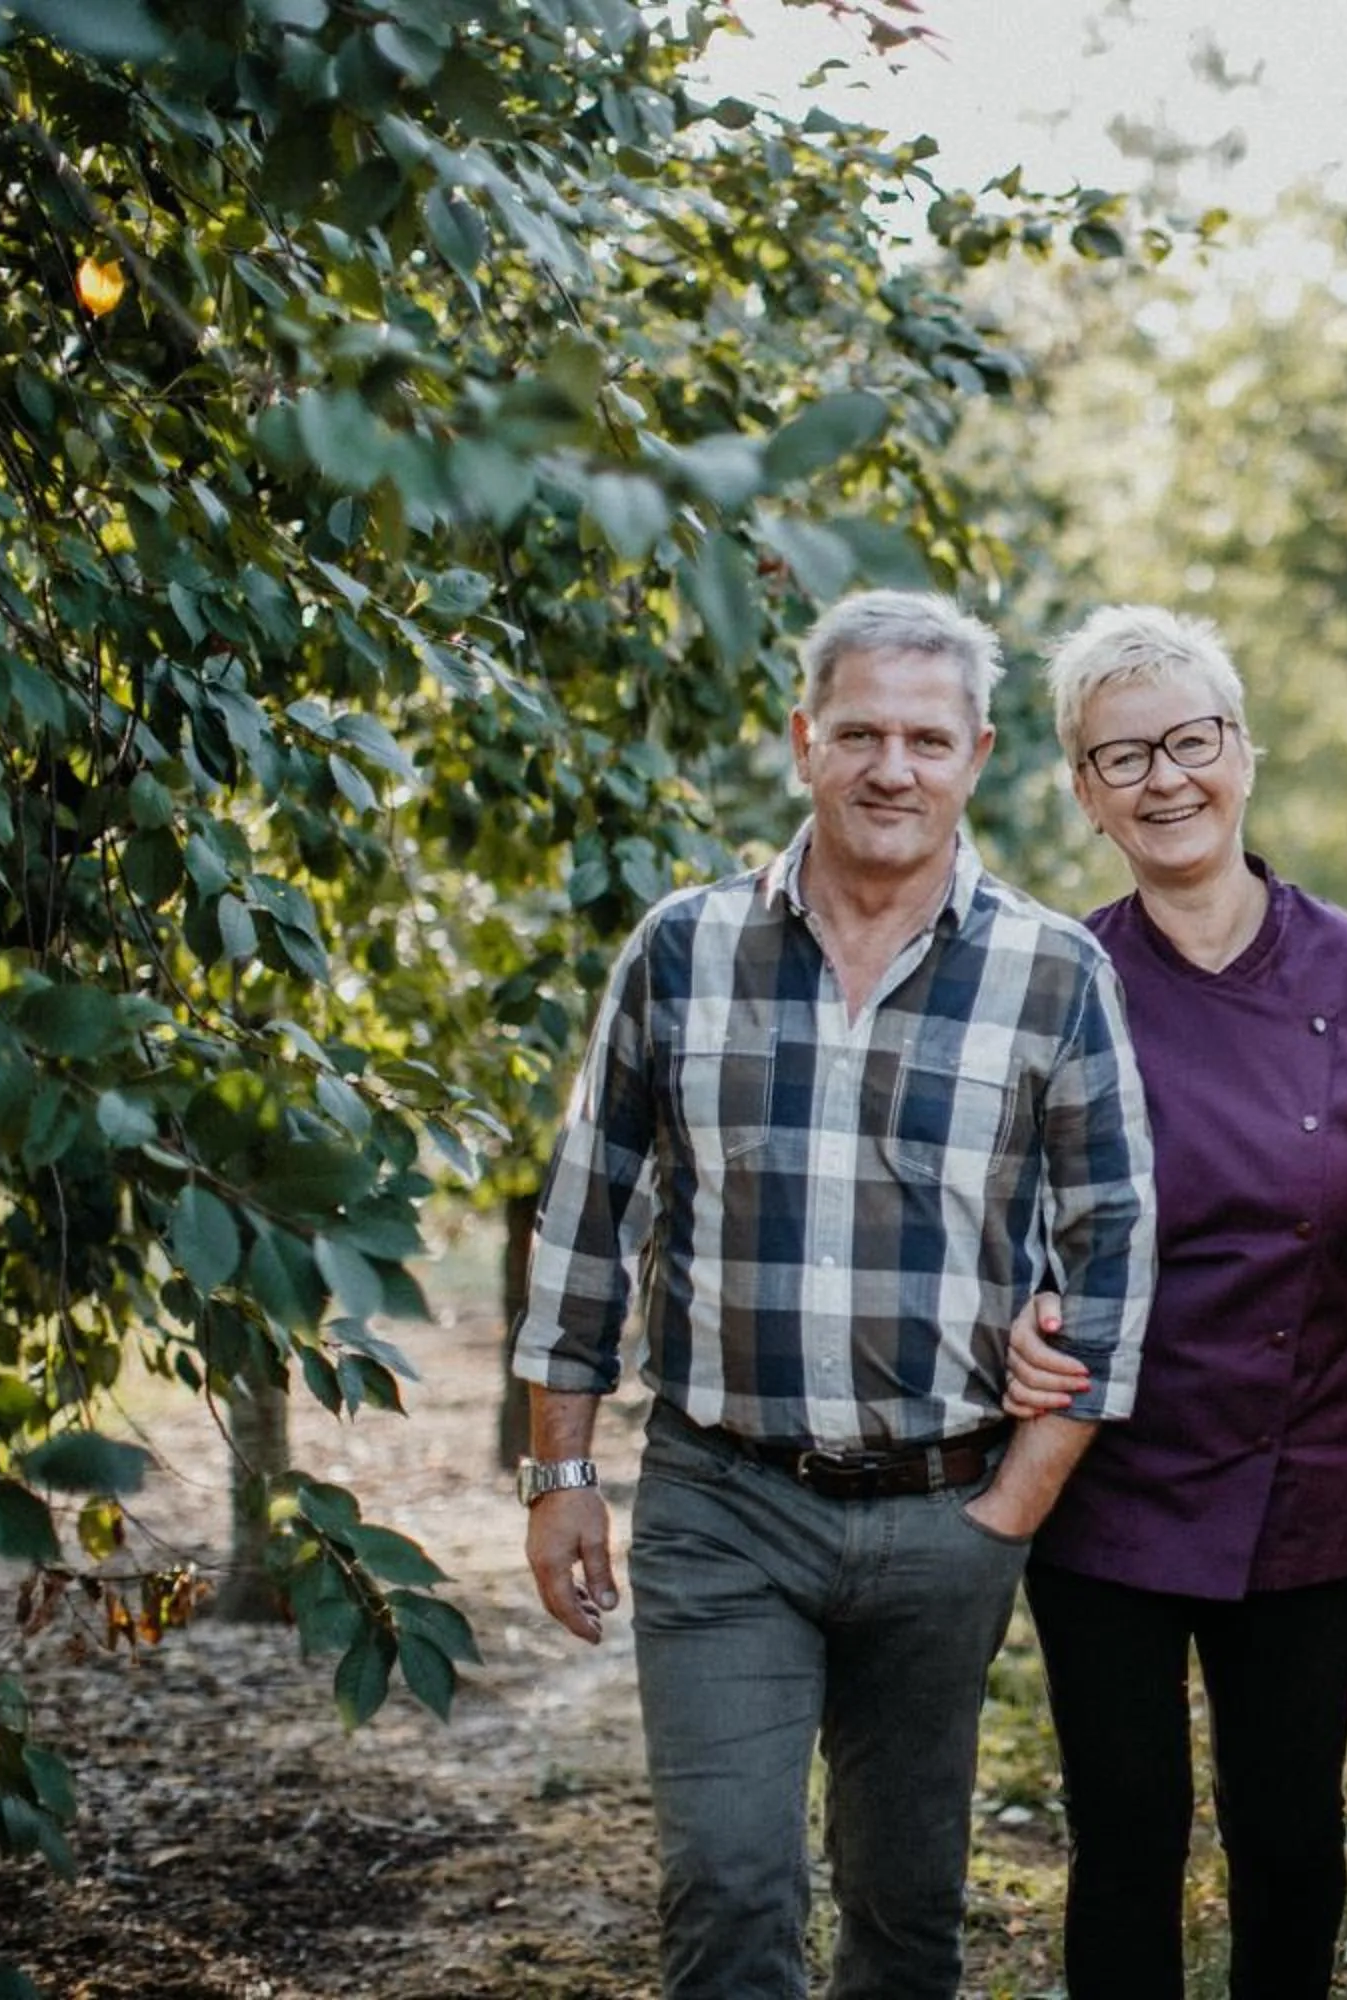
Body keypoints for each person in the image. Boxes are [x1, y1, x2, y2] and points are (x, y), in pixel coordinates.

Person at [507, 589, 1157, 2000]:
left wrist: (1017, 1505)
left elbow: (1116, 1244)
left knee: (906, 1914)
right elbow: (587, 1220)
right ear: (805, 740)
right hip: (722, 1500)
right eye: (859, 731)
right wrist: (555, 1472)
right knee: (730, 1890)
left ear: (977, 756)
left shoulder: (1054, 974)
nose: (891, 768)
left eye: (928, 738)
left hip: (947, 1514)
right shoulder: (681, 951)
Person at [1000, 604, 1347, 1999]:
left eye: (1191, 741)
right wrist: (1013, 1327)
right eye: (1124, 758)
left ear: (1242, 753)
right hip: (1102, 1473)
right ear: (1086, 795)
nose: (1167, 780)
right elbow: (994, 1230)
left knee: (1292, 1842)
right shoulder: (1058, 978)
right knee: (1125, 1835)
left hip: (1309, 1468)